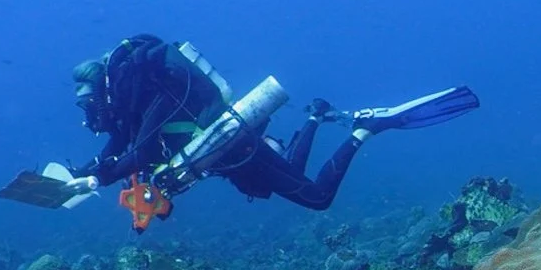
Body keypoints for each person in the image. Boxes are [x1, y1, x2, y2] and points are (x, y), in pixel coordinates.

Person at [69, 33, 478, 211]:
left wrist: (101, 179)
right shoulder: (131, 105)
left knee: (317, 199)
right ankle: (315, 118)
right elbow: (121, 145)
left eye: (91, 103)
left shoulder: (156, 93)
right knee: (290, 174)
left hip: (235, 147)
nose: (93, 114)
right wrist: (90, 172)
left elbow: (140, 151)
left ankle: (364, 129)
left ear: (106, 89)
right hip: (225, 156)